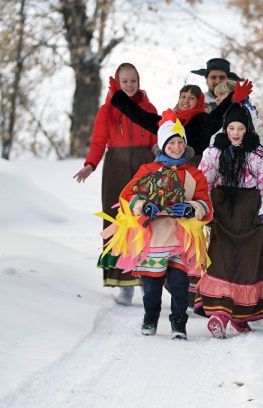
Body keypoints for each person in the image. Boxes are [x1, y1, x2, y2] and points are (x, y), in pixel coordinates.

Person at [102, 109, 213, 340]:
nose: (176, 147)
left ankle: (178, 323)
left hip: (180, 238)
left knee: (179, 283)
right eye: (171, 143)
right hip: (154, 236)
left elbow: (206, 204)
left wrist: (193, 207)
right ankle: (150, 316)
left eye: (180, 142)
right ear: (163, 145)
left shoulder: (193, 173)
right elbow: (127, 196)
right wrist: (143, 206)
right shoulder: (148, 170)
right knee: (151, 286)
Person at [73, 62, 157, 306]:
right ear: (118, 83)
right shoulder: (106, 110)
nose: (129, 85)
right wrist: (90, 164)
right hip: (116, 166)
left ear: (139, 82)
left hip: (144, 166)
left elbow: (156, 137)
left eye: (133, 81)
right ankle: (123, 283)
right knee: (118, 220)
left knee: (146, 220)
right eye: (125, 81)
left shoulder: (149, 108)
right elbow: (99, 141)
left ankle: (146, 280)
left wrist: (158, 152)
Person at [195, 102, 263, 339]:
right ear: (225, 128)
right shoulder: (214, 153)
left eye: (240, 128)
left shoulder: (257, 155)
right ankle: (220, 314)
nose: (235, 133)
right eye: (231, 128)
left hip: (249, 214)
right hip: (223, 213)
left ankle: (239, 315)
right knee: (223, 261)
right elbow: (204, 182)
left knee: (247, 263)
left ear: (248, 128)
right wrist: (206, 209)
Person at [110, 81, 252, 167]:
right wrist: (118, 96)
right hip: (169, 168)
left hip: (194, 167)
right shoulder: (169, 122)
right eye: (183, 96)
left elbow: (219, 114)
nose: (186, 100)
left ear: (199, 102)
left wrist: (233, 98)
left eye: (191, 98)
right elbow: (141, 116)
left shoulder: (202, 119)